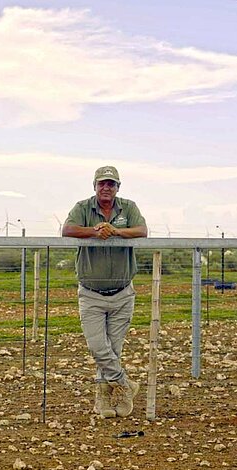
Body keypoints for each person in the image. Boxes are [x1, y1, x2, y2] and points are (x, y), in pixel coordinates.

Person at [62, 166, 147, 418]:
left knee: (114, 348)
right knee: (98, 346)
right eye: (102, 184)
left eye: (111, 184)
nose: (106, 188)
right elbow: (67, 229)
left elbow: (141, 231)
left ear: (118, 187)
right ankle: (124, 384)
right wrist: (95, 232)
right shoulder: (82, 207)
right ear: (94, 186)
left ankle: (104, 401)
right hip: (91, 293)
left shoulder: (128, 208)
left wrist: (117, 232)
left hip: (122, 293)